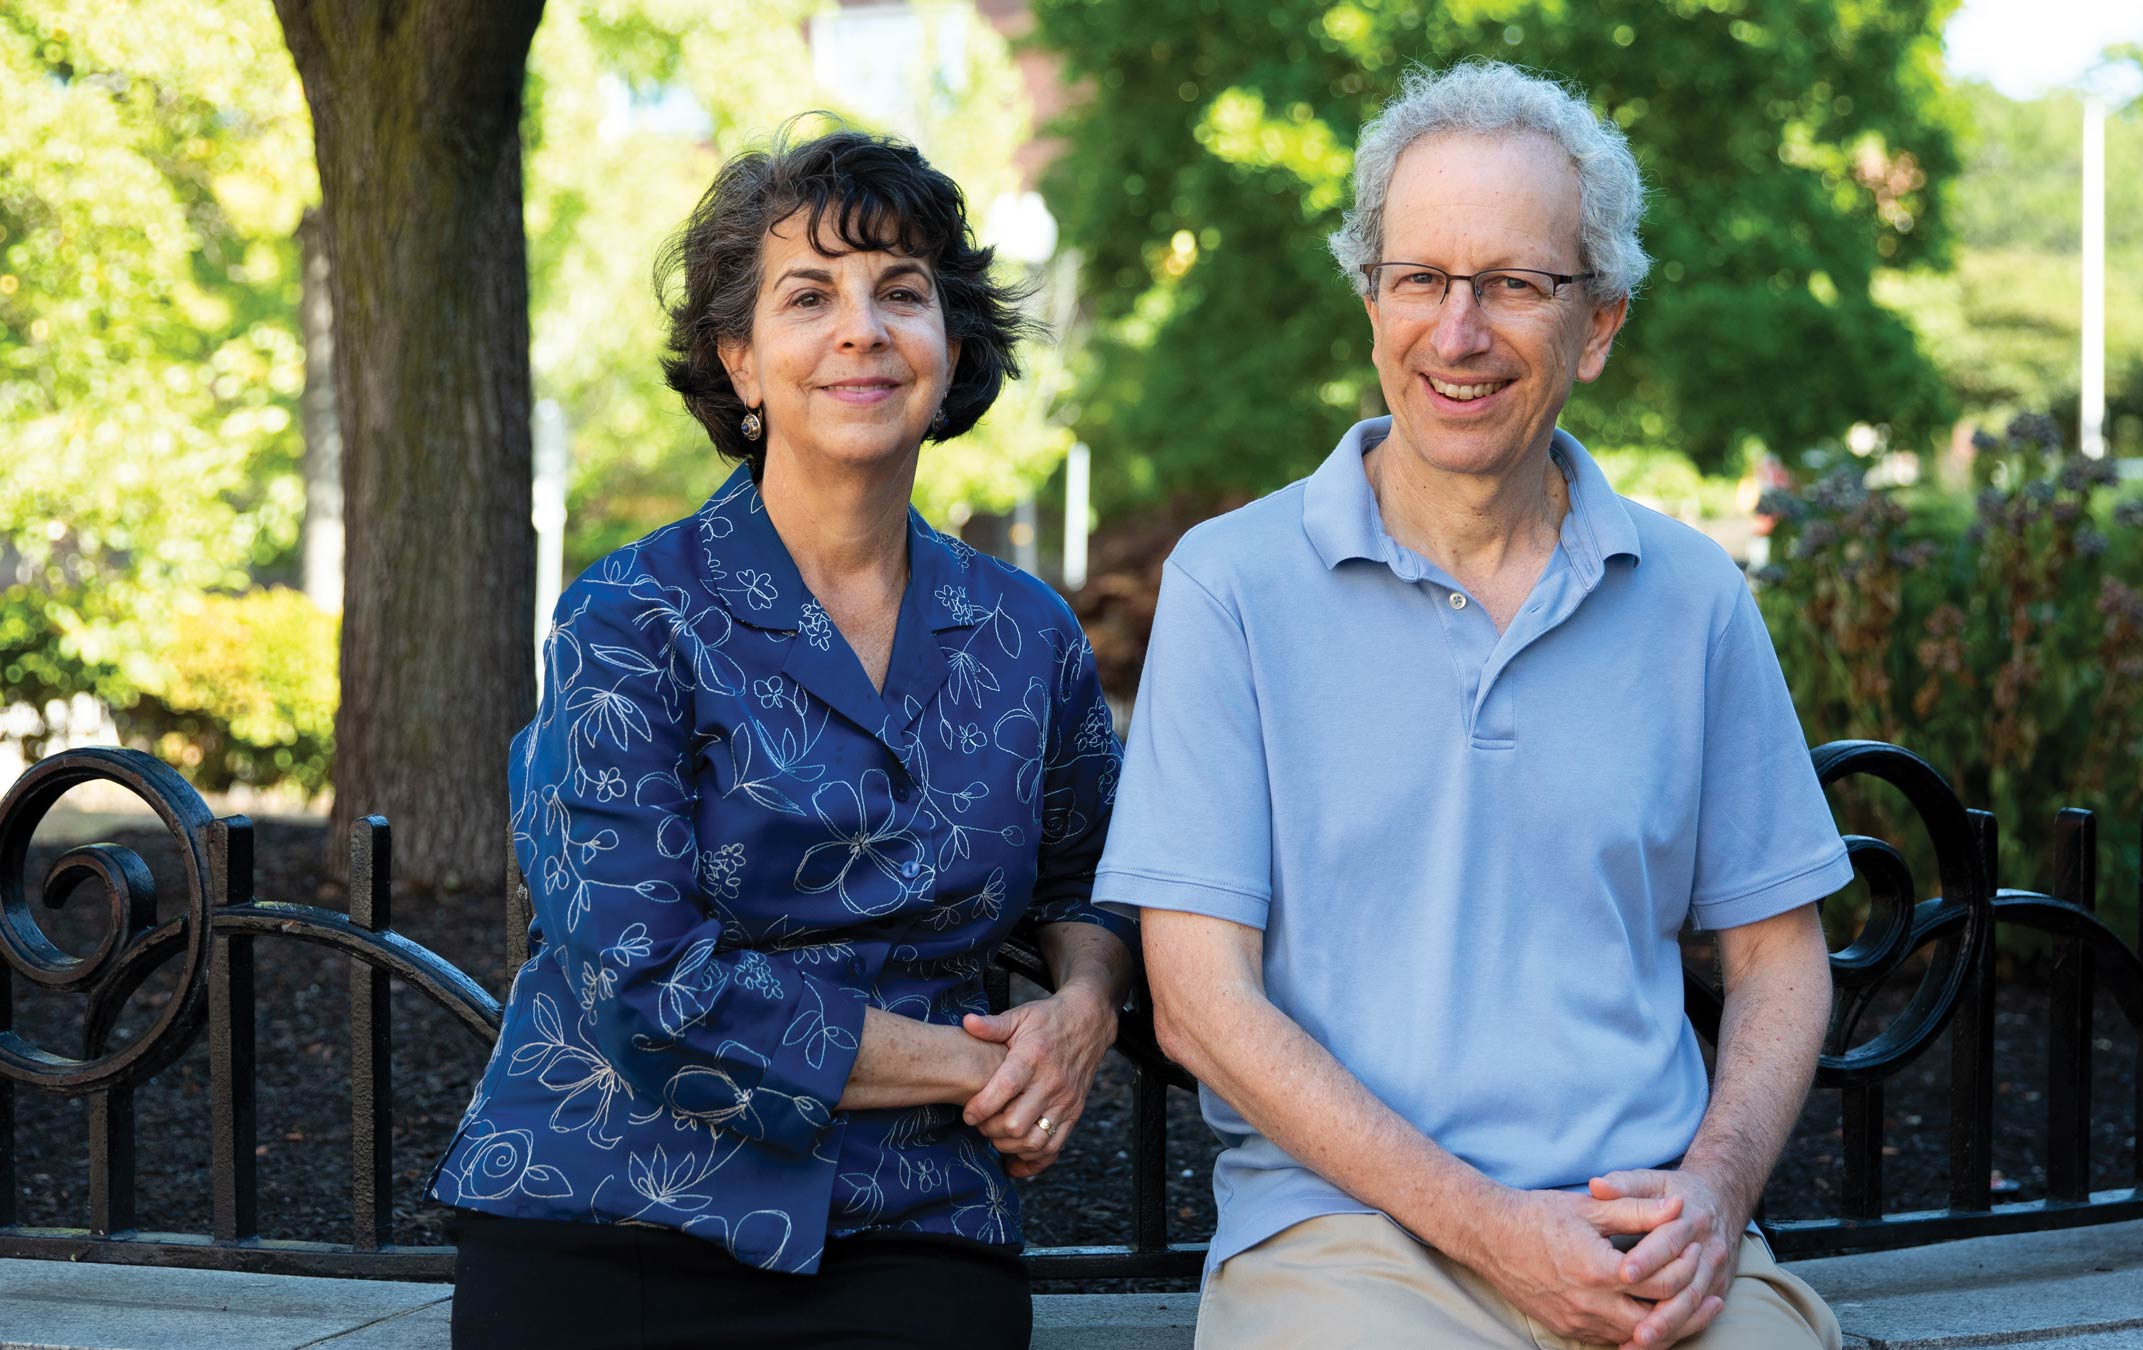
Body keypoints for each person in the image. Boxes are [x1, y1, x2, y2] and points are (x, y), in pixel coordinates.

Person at [1094, 61, 1850, 1350]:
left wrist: (1717, 1196)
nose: (1458, 331)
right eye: (1421, 279)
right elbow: (1199, 1005)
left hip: (1640, 1232)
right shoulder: (1232, 586)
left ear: (1598, 324)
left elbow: (1780, 959)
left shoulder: (1693, 596)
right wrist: (1496, 1229)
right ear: (1372, 298)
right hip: (1344, 1243)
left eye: (1512, 284)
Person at [429, 125, 1136, 1350]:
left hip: (913, 1218)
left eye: (900, 294)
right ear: (740, 362)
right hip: (612, 1207)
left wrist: (1081, 1008)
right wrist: (985, 1073)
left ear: (951, 348)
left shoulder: (1028, 636)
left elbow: (1103, 881)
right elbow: (642, 982)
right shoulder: (627, 616)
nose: (862, 329)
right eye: (809, 297)